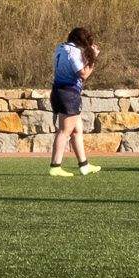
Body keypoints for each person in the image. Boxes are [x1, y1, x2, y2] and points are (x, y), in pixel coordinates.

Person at [47, 27, 101, 177]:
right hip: (69, 93)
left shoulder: (61, 47)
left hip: (58, 90)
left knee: (77, 130)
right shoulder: (74, 52)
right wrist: (92, 58)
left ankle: (84, 165)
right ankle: (55, 166)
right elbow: (83, 74)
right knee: (64, 131)